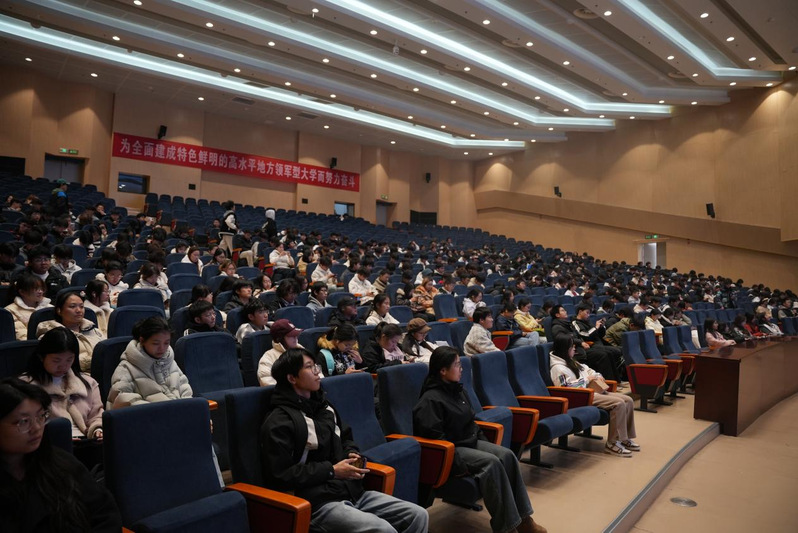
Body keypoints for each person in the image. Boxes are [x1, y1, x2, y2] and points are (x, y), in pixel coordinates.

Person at [260, 348, 428, 533]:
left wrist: (351, 453)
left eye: (316, 366)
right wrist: (332, 471)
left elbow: (346, 438)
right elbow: (281, 474)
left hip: (351, 491)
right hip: (316, 502)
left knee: (418, 515)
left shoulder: (324, 407)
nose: (317, 372)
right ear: (292, 378)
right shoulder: (279, 421)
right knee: (383, 529)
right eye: (309, 367)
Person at [413, 347, 546, 533]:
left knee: (507, 455)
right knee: (492, 463)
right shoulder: (430, 400)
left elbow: (471, 421)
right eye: (457, 365)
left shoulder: (458, 390)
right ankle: (506, 527)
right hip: (452, 450)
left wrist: (485, 443)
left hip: (469, 441)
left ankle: (524, 519)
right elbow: (435, 439)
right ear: (442, 370)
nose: (461, 369)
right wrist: (459, 466)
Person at [0, 377, 122, 531]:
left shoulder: (60, 462)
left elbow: (104, 512)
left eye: (40, 416)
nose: (36, 428)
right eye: (24, 421)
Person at [549, 335, 639, 457]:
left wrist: (597, 376)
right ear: (564, 349)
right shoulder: (557, 368)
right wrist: (587, 380)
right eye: (572, 347)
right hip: (580, 396)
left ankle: (624, 438)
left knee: (628, 400)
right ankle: (612, 444)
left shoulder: (570, 361)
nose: (574, 349)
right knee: (618, 403)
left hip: (590, 392)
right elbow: (564, 388)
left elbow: (588, 370)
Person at [107, 316, 192, 409]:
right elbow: (123, 401)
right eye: (156, 343)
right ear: (142, 341)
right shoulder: (126, 369)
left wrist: (186, 408)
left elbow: (184, 387)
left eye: (166, 343)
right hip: (149, 416)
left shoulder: (169, 360)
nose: (162, 348)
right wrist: (165, 410)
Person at [36, 291, 105, 373]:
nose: (79, 310)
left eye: (82, 306)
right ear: (59, 310)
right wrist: (95, 361)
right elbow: (59, 363)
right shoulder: (50, 335)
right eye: (72, 306)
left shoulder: (94, 330)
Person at [258, 319, 305, 386]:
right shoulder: (268, 357)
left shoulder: (302, 350)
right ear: (279, 339)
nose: (295, 338)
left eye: (296, 335)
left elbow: (316, 373)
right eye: (291, 336)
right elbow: (266, 382)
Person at [5, 273, 52, 340]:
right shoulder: (10, 311)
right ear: (22, 292)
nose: (40, 292)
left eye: (42, 288)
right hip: (32, 344)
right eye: (36, 289)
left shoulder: (50, 307)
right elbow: (22, 336)